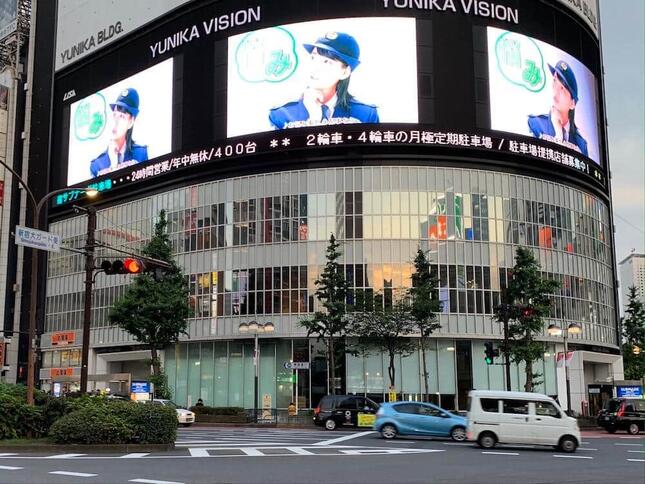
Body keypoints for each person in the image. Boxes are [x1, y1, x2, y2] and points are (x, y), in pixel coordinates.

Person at [269, 31, 379, 130]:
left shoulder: (365, 114)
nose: (314, 67)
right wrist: (313, 119)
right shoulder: (281, 115)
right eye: (313, 58)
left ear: (344, 72)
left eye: (326, 62)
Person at [527, 60, 588, 157]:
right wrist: (558, 134)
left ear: (572, 103)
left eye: (562, 88)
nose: (555, 91)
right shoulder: (535, 124)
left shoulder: (581, 144)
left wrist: (559, 133)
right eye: (555, 80)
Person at [90, 87, 148, 177]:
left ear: (131, 122)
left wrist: (116, 167)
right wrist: (113, 165)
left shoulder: (140, 154)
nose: (115, 121)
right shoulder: (97, 165)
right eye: (114, 115)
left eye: (121, 116)